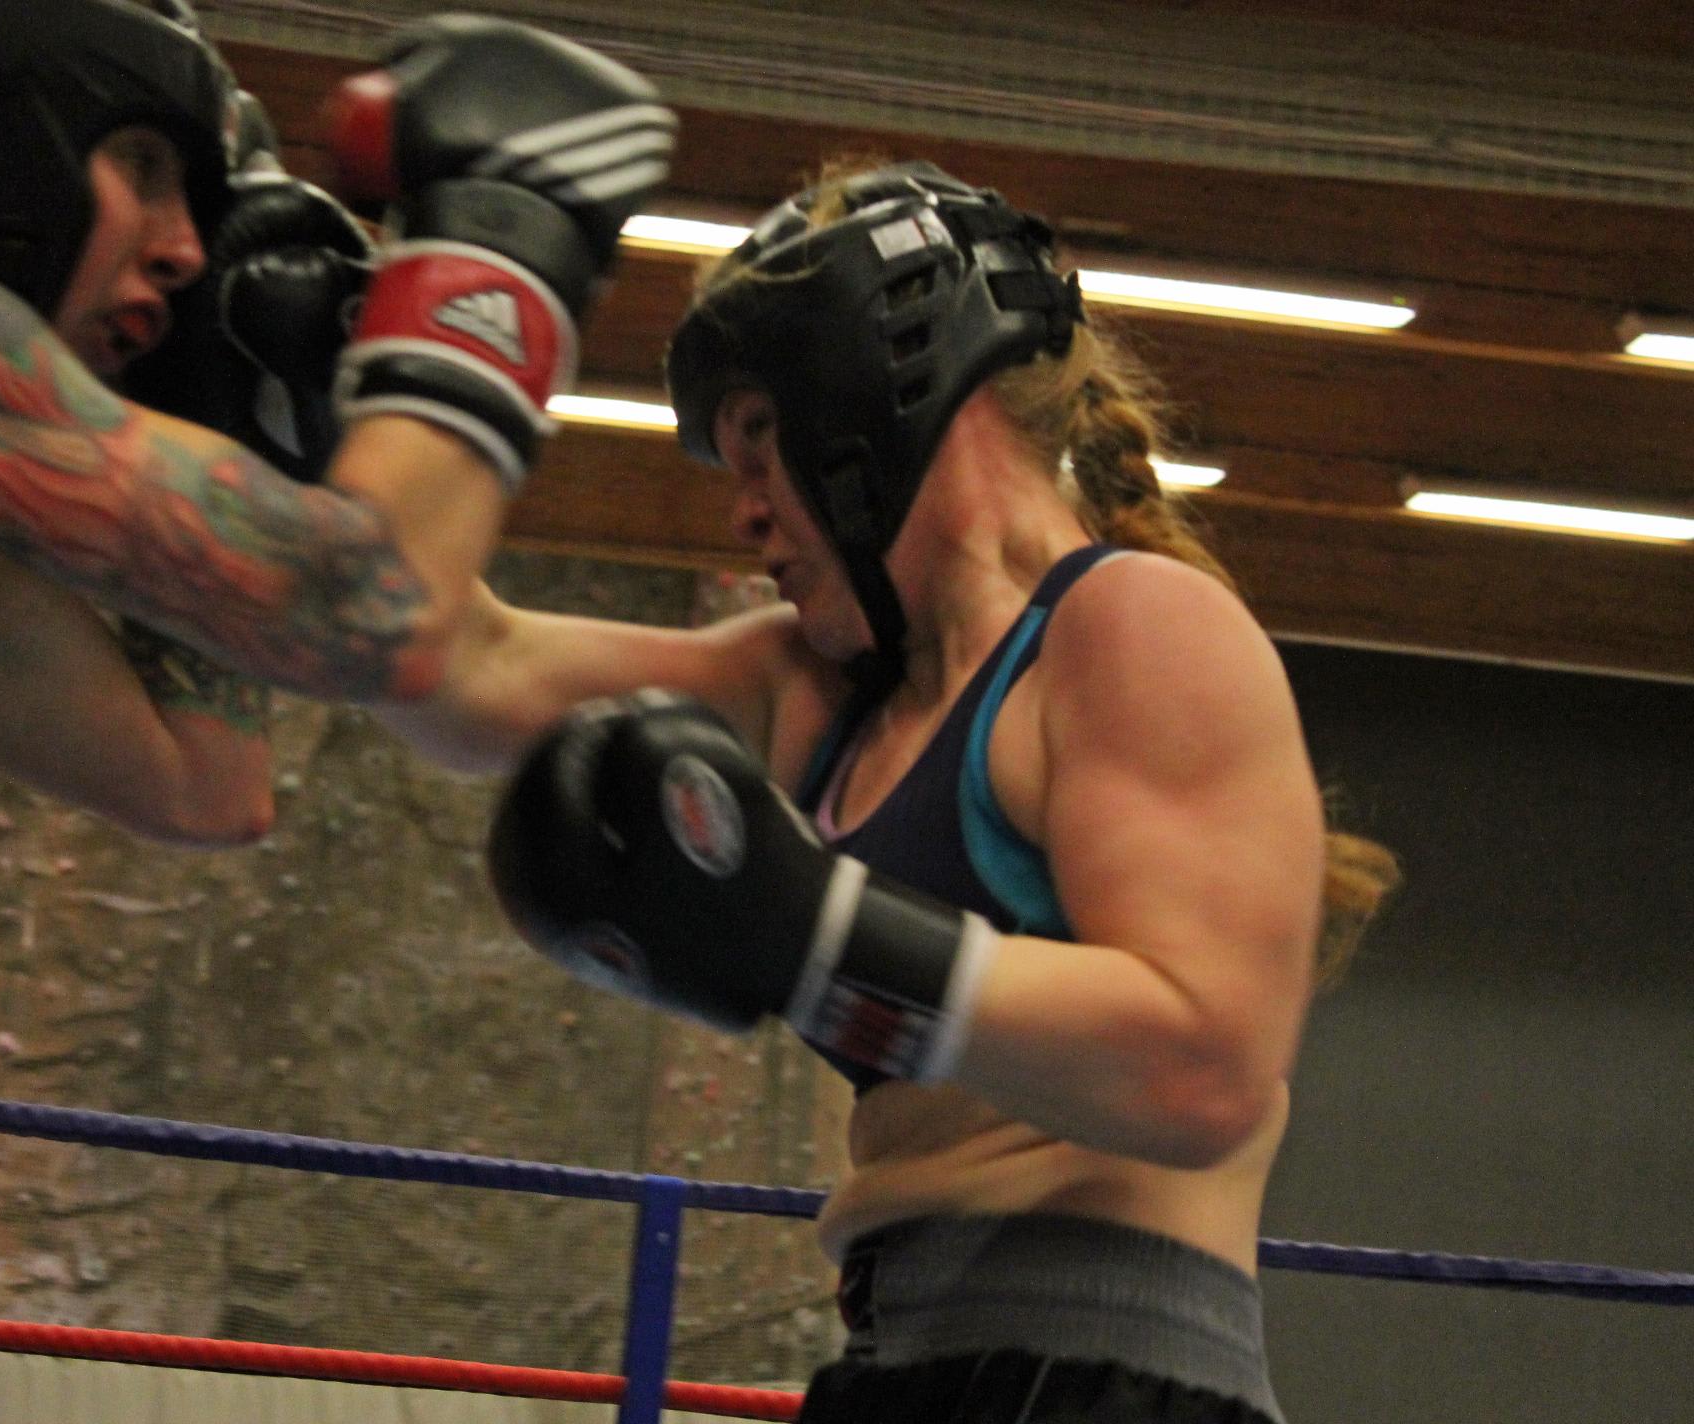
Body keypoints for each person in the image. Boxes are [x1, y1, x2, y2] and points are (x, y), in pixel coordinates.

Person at [0, 1, 674, 1417]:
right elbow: (355, 601)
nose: (187, 248)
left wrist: (232, 403)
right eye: (145, 167)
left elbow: (203, 776)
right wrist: (504, 255)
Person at [384, 161, 1399, 1422]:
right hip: (896, 1369)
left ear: (880, 394)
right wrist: (429, 323)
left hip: (1112, 1384)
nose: (746, 512)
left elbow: (1203, 1069)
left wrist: (816, 938)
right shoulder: (817, 689)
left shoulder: (1133, 628)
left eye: (761, 443)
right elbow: (447, 663)